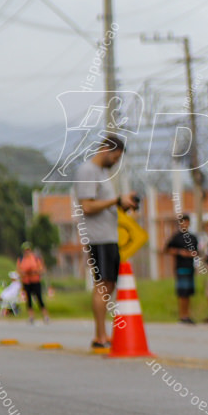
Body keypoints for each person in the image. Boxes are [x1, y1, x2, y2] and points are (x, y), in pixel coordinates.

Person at [73, 134, 138, 349]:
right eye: (115, 157)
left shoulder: (101, 173)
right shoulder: (88, 171)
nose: (115, 162)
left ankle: (103, 334)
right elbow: (88, 206)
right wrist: (116, 200)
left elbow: (103, 204)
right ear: (106, 150)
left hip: (109, 237)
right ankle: (99, 335)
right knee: (102, 285)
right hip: (98, 238)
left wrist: (123, 203)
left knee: (109, 284)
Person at [164, 215, 199, 324]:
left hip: (190, 267)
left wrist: (191, 254)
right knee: (182, 293)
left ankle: (187, 315)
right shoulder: (176, 237)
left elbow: (197, 252)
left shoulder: (193, 237)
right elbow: (166, 249)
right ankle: (182, 315)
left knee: (188, 292)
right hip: (180, 267)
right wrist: (180, 252)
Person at [17, 243, 49, 324]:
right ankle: (31, 316)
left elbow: (42, 269)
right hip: (26, 282)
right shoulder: (21, 259)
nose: (27, 252)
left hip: (35, 281)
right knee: (29, 300)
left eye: (28, 250)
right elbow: (19, 271)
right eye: (25, 250)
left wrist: (34, 271)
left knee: (39, 298)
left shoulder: (35, 258)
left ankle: (45, 316)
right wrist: (25, 273)